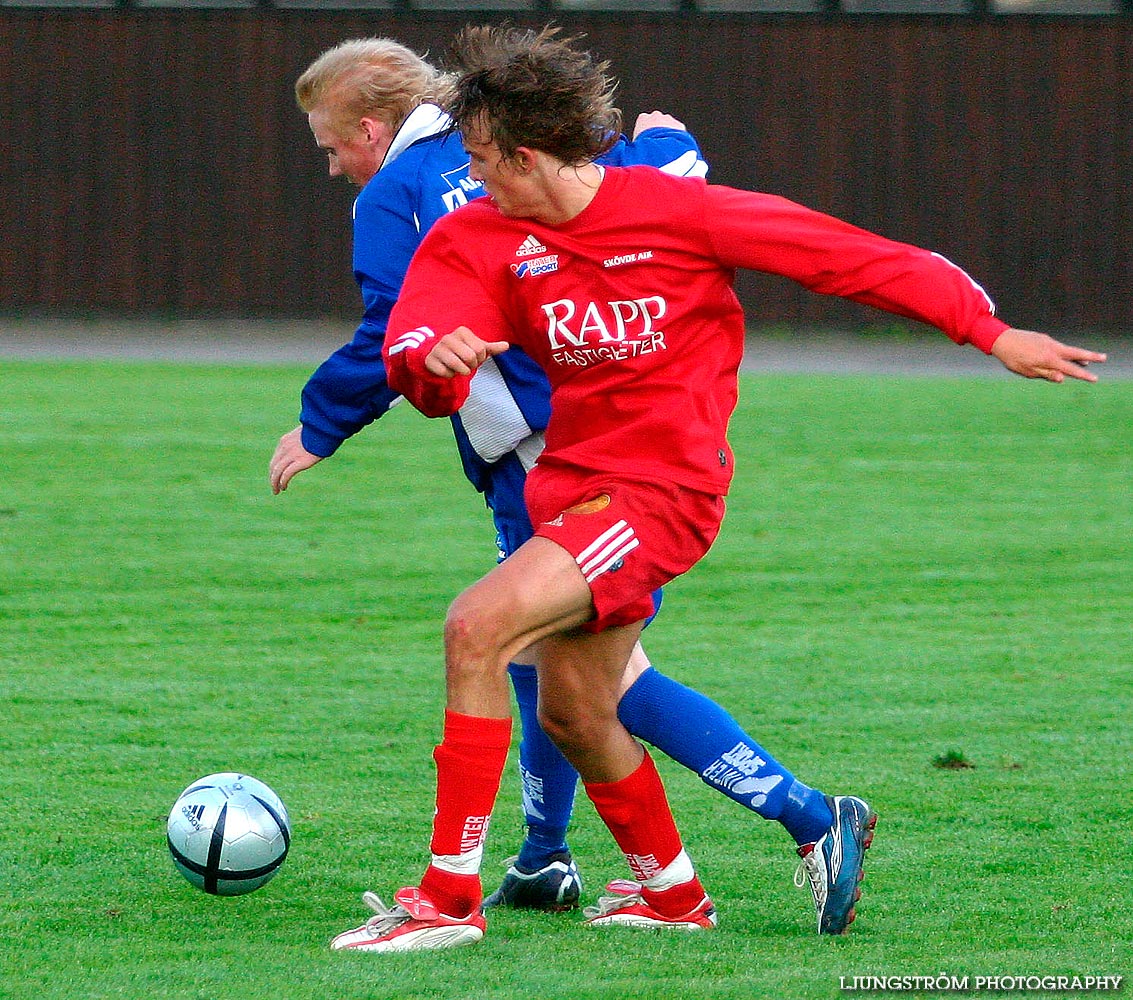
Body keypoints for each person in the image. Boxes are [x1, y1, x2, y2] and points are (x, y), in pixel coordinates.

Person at [332, 23, 1107, 953]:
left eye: (482, 159)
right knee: (577, 711)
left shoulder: (677, 213)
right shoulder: (479, 237)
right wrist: (437, 363)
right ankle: (672, 894)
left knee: (476, 626)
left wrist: (988, 333)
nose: (470, 176)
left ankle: (446, 898)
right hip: (568, 494)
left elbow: (855, 257)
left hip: (661, 494)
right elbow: (415, 343)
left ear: (528, 154)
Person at [270, 37, 859, 934]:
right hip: (609, 435)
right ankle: (568, 862)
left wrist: (319, 424)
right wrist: (668, 150)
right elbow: (637, 181)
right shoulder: (527, 143)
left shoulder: (403, 188)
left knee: (576, 665)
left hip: (556, 458)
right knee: (558, 667)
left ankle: (805, 817)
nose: (331, 166)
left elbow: (392, 330)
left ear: (371, 126)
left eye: (328, 146)